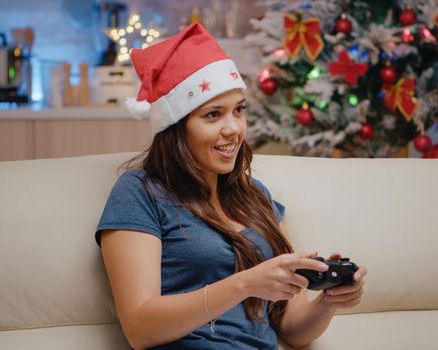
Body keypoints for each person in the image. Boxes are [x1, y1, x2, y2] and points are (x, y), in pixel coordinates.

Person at [95, 23, 367, 350]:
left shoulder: (256, 197)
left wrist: (328, 301)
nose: (233, 129)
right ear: (176, 128)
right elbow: (140, 329)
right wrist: (246, 283)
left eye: (239, 110)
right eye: (213, 115)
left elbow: (292, 330)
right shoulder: (140, 192)